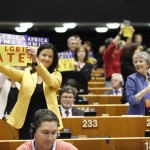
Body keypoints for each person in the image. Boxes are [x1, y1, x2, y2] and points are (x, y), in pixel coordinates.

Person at [0, 43, 63, 139]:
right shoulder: (27, 73)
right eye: (44, 55)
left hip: (47, 122)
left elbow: (50, 81)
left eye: (50, 56)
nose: (47, 58)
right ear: (37, 55)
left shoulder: (56, 75)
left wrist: (37, 63)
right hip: (26, 121)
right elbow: (8, 70)